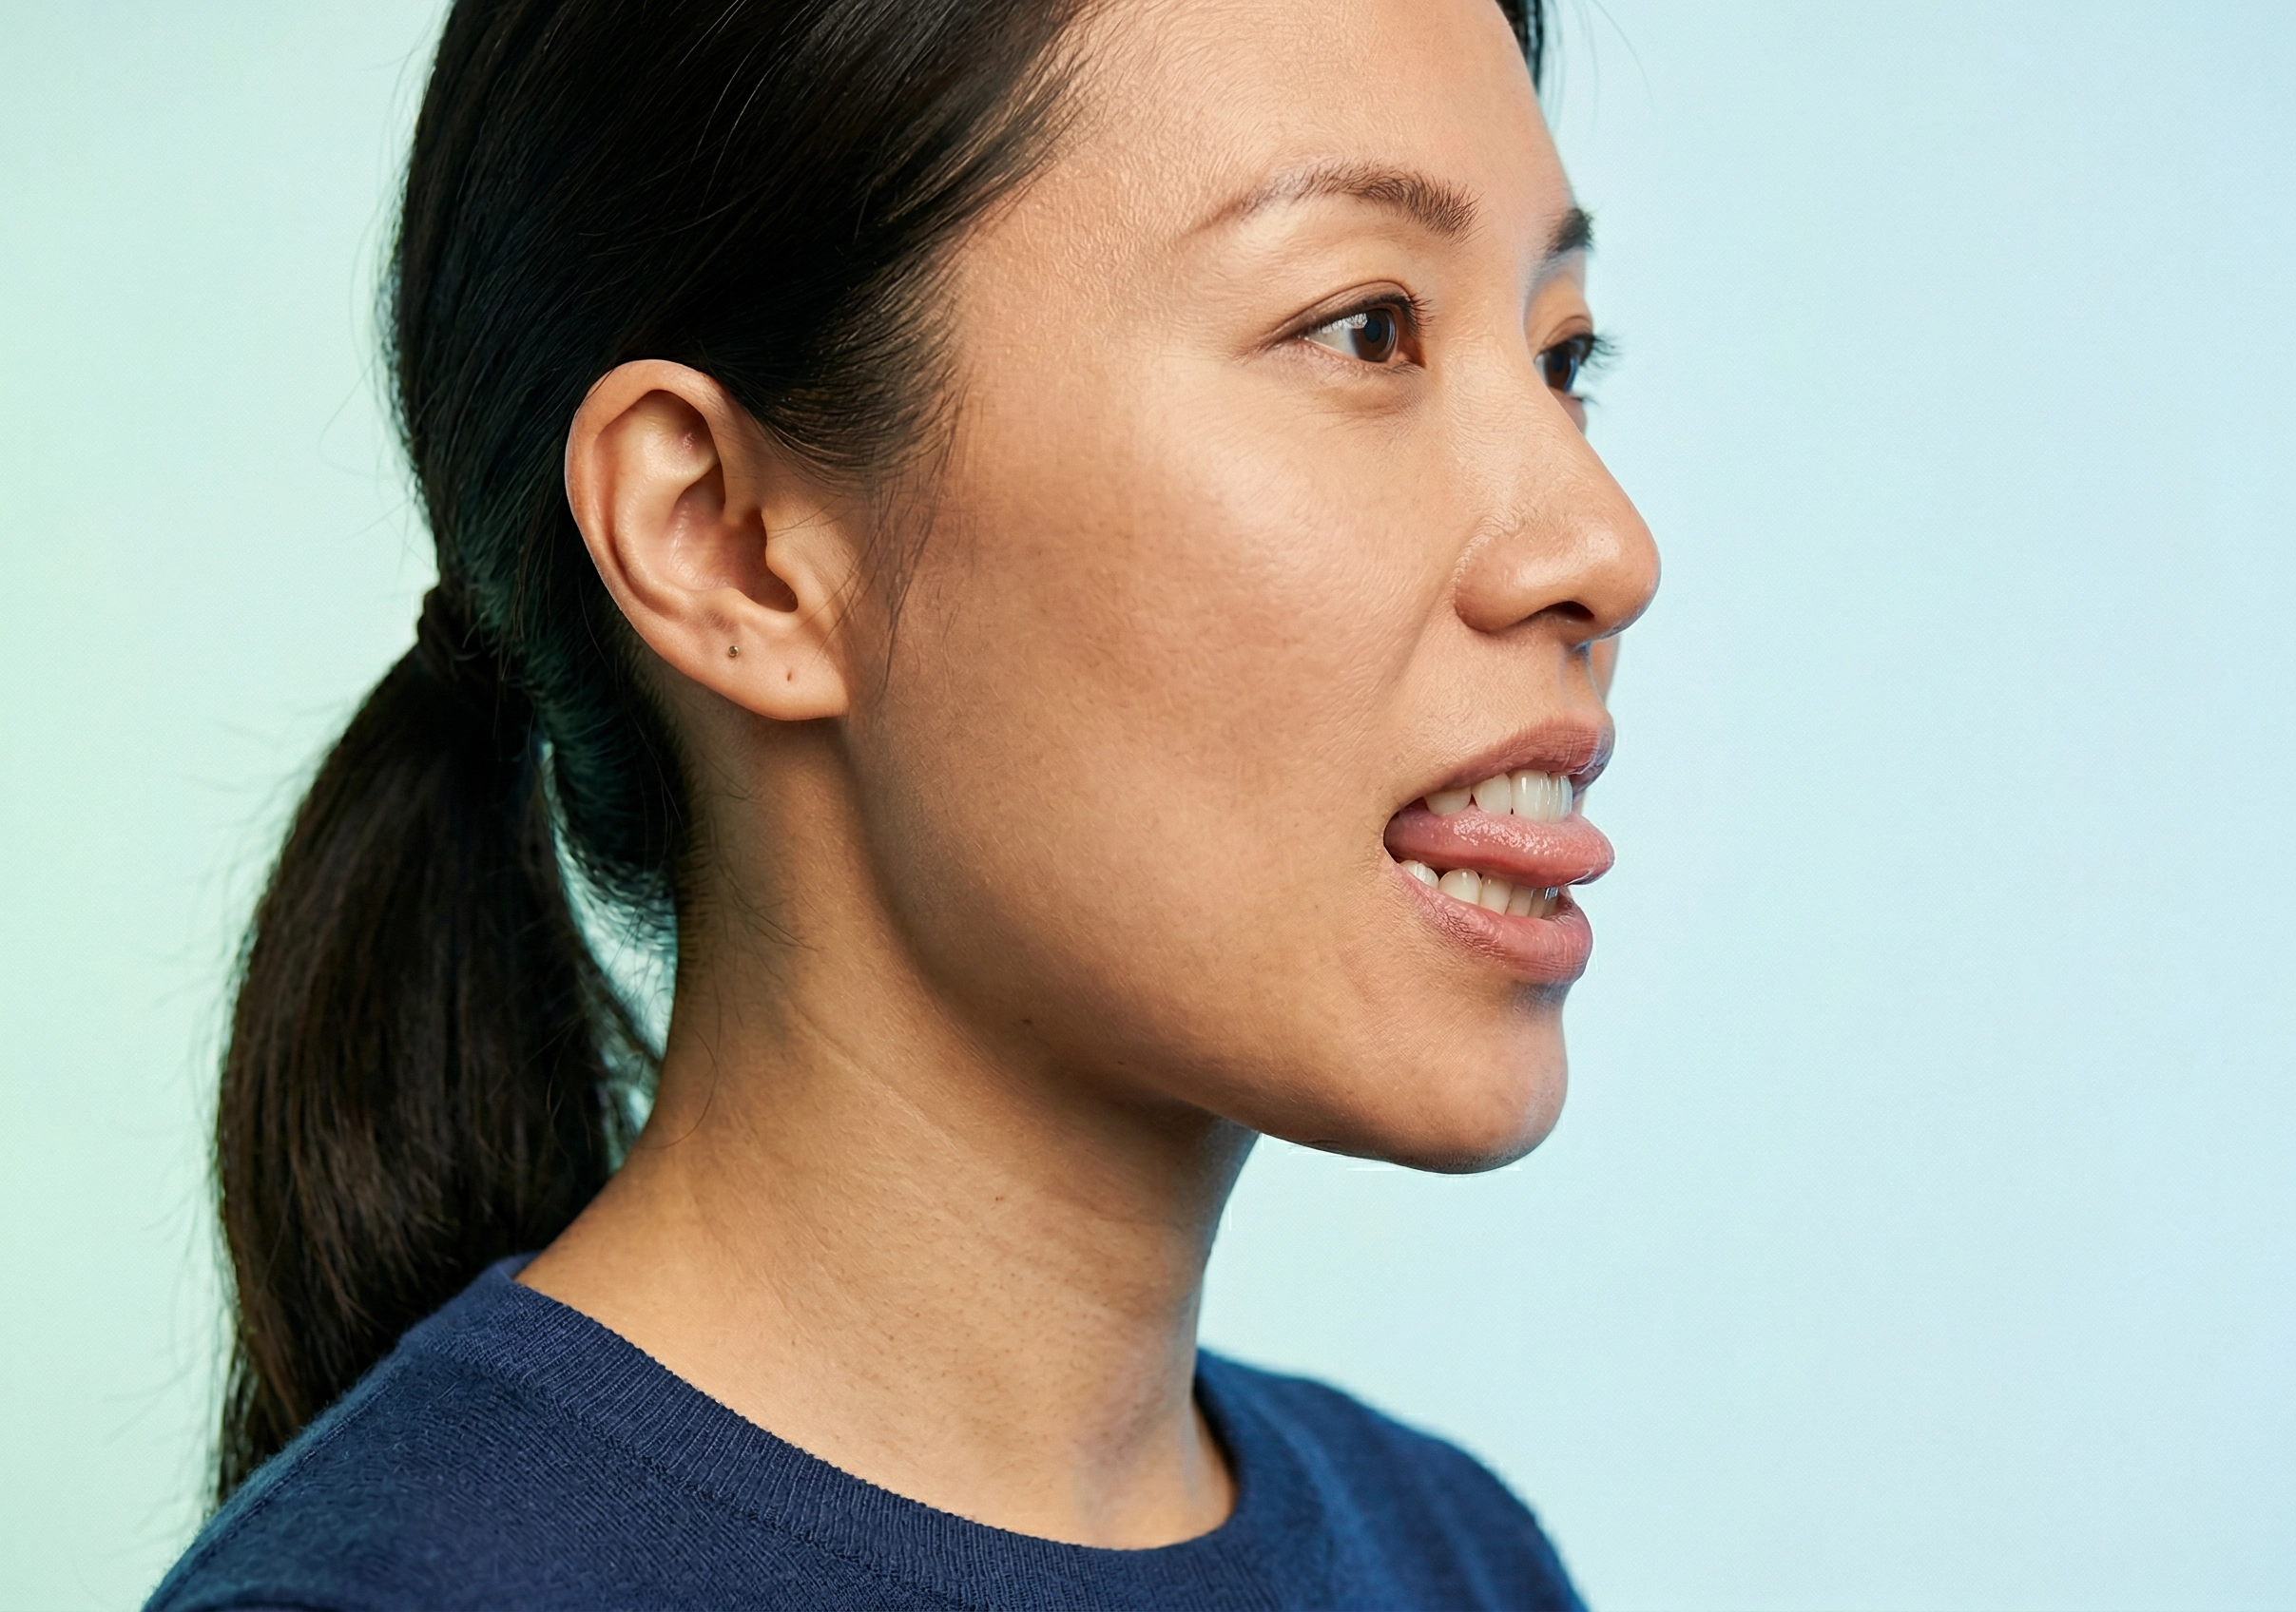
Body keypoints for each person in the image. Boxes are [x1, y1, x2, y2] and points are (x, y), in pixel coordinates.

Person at [147, 0, 1658, 1604]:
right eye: (1366, 327)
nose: (1604, 546)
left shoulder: (1456, 1561)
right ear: (730, 542)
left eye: (1561, 356)